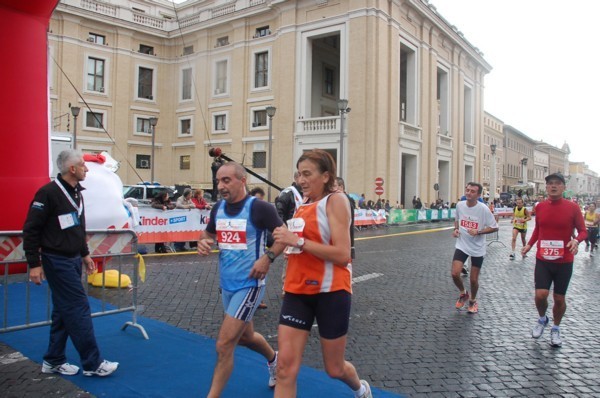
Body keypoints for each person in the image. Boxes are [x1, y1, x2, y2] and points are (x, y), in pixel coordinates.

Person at [271, 149, 372, 398]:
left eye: (307, 174)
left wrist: (298, 241)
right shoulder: (303, 203)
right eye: (298, 174)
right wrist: (279, 251)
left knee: (334, 368)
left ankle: (360, 389)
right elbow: (298, 241)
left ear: (326, 176)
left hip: (330, 292)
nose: (301, 180)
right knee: (284, 368)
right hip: (297, 291)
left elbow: (342, 254)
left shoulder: (336, 200)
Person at [22, 149, 119, 377]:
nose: (87, 168)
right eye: (83, 165)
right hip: (57, 261)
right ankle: (92, 363)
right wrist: (34, 263)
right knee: (78, 307)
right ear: (72, 169)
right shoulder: (47, 193)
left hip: (73, 259)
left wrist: (85, 254)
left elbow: (78, 227)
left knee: (63, 311)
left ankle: (53, 360)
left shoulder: (77, 193)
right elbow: (31, 229)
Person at [196, 162, 285, 396]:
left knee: (224, 344)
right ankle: (275, 360)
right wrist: (203, 241)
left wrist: (267, 258)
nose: (221, 186)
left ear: (242, 180)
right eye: (218, 181)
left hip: (250, 284)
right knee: (246, 338)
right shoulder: (218, 208)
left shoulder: (260, 208)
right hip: (227, 285)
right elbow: (208, 234)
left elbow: (284, 237)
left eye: (227, 180)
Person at [522, 173, 587, 347]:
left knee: (559, 298)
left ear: (563, 187)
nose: (553, 186)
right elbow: (538, 229)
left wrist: (576, 240)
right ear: (546, 187)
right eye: (550, 184)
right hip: (543, 258)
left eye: (557, 184)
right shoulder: (540, 207)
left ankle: (556, 328)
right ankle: (542, 319)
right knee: (540, 294)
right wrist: (529, 245)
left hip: (564, 260)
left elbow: (583, 231)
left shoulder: (573, 208)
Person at [451, 182, 499, 314]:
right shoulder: (460, 205)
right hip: (462, 244)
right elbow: (457, 219)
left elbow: (494, 227)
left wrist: (478, 232)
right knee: (455, 273)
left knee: (473, 279)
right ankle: (463, 293)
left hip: (477, 248)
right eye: (467, 190)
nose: (468, 193)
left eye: (472, 191)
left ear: (478, 195)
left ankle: (472, 300)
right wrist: (456, 229)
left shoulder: (483, 209)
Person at [275, 171, 303, 294]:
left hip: (302, 233)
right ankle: (286, 286)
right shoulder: (288, 194)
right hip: (290, 231)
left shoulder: (307, 193)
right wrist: (284, 229)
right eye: (302, 176)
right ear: (296, 178)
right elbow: (279, 213)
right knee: (289, 259)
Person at [249, 186, 273, 309]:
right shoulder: (247, 211)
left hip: (260, 251)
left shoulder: (263, 212)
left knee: (260, 276)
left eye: (262, 200)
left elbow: (271, 232)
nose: (260, 202)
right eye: (258, 199)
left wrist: (271, 253)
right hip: (247, 254)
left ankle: (258, 299)